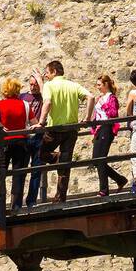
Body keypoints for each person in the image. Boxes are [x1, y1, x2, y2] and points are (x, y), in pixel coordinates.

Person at [38, 61, 93, 203]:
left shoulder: (49, 86)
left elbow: (48, 102)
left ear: (54, 72)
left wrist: (41, 122)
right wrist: (87, 118)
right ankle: (60, 198)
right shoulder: (73, 85)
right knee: (65, 165)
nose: (46, 76)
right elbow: (91, 97)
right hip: (71, 129)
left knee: (42, 154)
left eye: (48, 72)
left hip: (55, 129)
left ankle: (58, 159)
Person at [0, 77, 32, 212]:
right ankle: (16, 206)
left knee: (0, 173)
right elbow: (34, 122)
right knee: (18, 173)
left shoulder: (1, 104)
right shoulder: (25, 104)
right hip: (21, 141)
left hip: (5, 141)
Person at [87, 75, 128, 196]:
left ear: (105, 85)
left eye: (99, 85)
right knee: (96, 160)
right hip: (100, 129)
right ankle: (120, 179)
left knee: (100, 159)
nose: (97, 87)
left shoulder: (111, 98)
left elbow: (113, 113)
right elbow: (98, 114)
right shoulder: (102, 97)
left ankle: (104, 189)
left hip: (107, 128)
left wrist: (103, 104)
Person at [20, 75, 46, 207]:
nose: (33, 86)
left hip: (39, 137)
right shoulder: (22, 97)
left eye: (35, 84)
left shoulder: (44, 97)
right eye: (31, 84)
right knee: (21, 169)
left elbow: (47, 97)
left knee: (36, 170)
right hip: (25, 137)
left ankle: (31, 200)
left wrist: (41, 82)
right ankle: (17, 200)